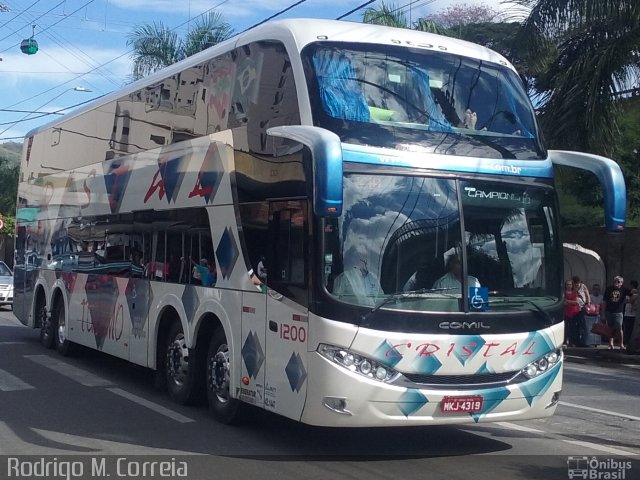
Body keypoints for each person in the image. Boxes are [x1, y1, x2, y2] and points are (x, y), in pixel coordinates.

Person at [602, 276, 630, 350]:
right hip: (609, 311)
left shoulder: (624, 290)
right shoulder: (609, 289)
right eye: (615, 281)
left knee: (619, 327)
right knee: (610, 328)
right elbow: (604, 301)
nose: (616, 283)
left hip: (618, 312)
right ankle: (611, 344)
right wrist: (603, 312)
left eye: (618, 282)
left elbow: (632, 293)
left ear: (621, 283)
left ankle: (621, 344)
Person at [571, 275, 590, 347]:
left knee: (583, 325)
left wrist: (588, 304)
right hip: (574, 308)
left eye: (577, 284)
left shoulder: (583, 286)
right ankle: (575, 341)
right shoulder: (572, 287)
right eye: (575, 284)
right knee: (575, 325)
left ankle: (584, 341)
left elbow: (587, 296)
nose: (576, 285)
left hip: (582, 308)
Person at [563, 279, 581, 346]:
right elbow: (563, 302)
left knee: (572, 328)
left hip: (573, 312)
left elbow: (576, 302)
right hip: (565, 312)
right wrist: (570, 302)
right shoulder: (563, 293)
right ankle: (564, 341)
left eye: (570, 284)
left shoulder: (574, 293)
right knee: (566, 327)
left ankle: (571, 342)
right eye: (567, 284)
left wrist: (567, 301)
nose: (569, 286)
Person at [623, 280, 638, 351]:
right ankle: (626, 342)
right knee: (627, 329)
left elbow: (632, 302)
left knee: (631, 330)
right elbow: (626, 302)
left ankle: (629, 343)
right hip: (627, 314)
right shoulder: (627, 295)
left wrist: (634, 296)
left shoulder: (636, 295)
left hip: (633, 315)